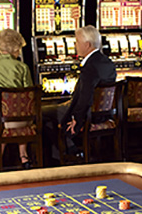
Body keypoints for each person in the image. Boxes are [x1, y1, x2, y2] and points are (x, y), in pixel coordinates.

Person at [43, 25, 116, 159]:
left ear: (87, 44)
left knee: (41, 113)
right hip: (104, 113)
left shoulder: (90, 67)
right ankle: (66, 149)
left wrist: (77, 118)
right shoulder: (108, 62)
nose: (75, 45)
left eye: (77, 42)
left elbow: (85, 97)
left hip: (87, 113)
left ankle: (65, 153)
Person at [0, 28, 34, 168]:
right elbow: (29, 94)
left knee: (3, 117)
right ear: (15, 48)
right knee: (25, 114)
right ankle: (24, 156)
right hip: (19, 120)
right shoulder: (22, 67)